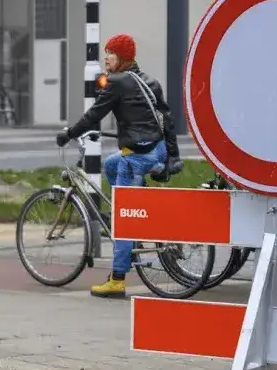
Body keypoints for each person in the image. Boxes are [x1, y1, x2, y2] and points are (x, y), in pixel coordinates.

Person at [56, 33, 184, 299]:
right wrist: (173, 157)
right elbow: (167, 119)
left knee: (123, 218)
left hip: (138, 156)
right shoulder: (149, 81)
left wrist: (69, 133)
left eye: (111, 54)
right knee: (111, 165)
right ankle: (134, 208)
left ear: (123, 58)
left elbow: (94, 116)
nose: (106, 58)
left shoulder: (116, 82)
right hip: (157, 150)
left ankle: (117, 279)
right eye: (106, 53)